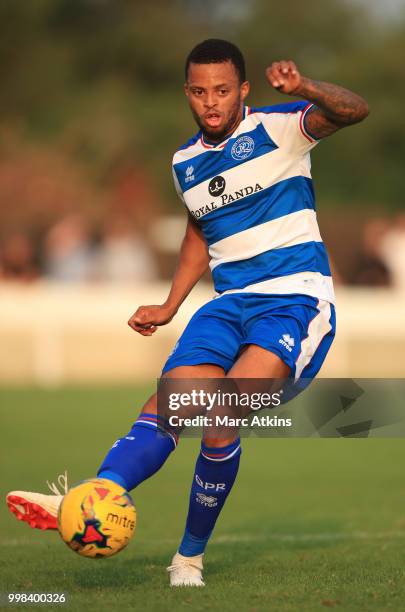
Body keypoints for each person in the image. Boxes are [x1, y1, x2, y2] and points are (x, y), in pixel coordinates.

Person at [6, 39, 369, 587]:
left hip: (294, 300)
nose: (211, 102)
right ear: (187, 94)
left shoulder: (282, 127)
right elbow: (200, 229)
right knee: (170, 403)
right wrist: (171, 304)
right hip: (225, 307)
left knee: (221, 417)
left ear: (243, 90)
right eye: (199, 92)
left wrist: (305, 88)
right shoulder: (185, 162)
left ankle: (189, 559)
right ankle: (91, 499)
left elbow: (354, 110)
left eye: (222, 90)